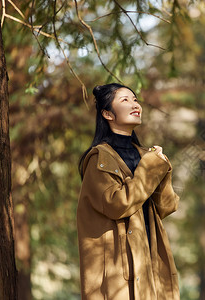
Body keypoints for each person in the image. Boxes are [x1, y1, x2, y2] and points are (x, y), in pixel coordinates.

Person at [77, 83, 180, 299]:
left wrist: (163, 169)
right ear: (107, 113)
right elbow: (117, 205)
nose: (135, 105)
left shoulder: (144, 155)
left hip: (149, 262)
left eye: (135, 99)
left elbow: (167, 206)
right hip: (119, 270)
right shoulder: (99, 158)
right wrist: (150, 169)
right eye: (125, 100)